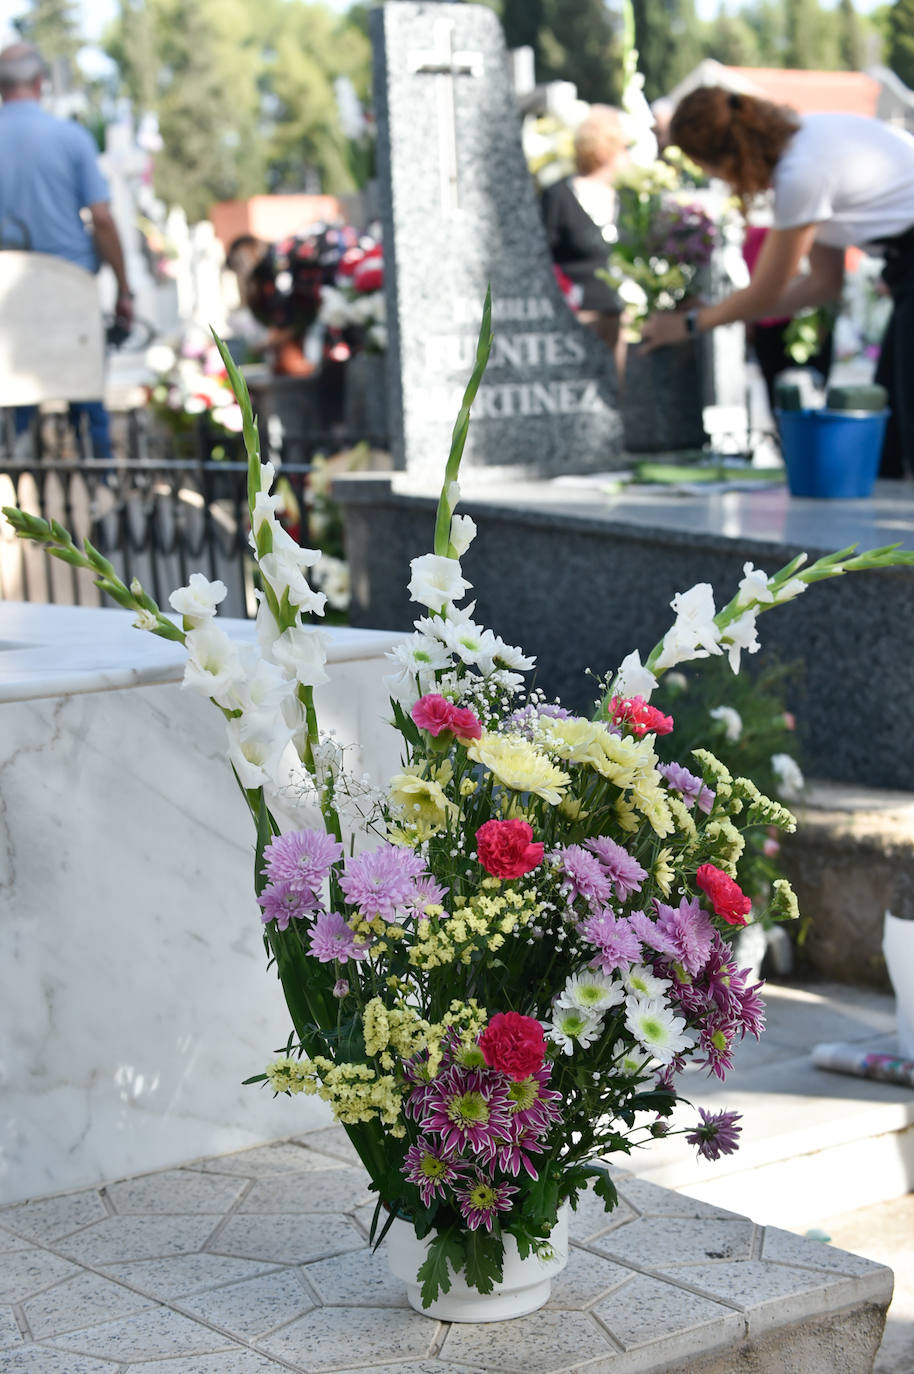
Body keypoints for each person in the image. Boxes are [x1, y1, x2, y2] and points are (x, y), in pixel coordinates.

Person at [640, 86, 914, 478]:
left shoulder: (801, 171)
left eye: (706, 168)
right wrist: (717, 313)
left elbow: (767, 289)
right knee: (887, 441)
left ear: (726, 159)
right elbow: (822, 284)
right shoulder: (808, 142)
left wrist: (689, 325)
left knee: (903, 430)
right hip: (904, 266)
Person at [0, 41, 133, 460]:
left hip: (7, 292)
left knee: (12, 406)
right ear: (40, 83)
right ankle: (99, 490)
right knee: (85, 397)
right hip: (68, 285)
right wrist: (125, 290)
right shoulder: (70, 138)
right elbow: (103, 219)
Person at [540, 105, 629, 356]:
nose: (627, 156)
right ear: (605, 150)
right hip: (573, 319)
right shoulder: (558, 196)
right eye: (623, 148)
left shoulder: (626, 199)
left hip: (617, 319)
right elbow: (542, 257)